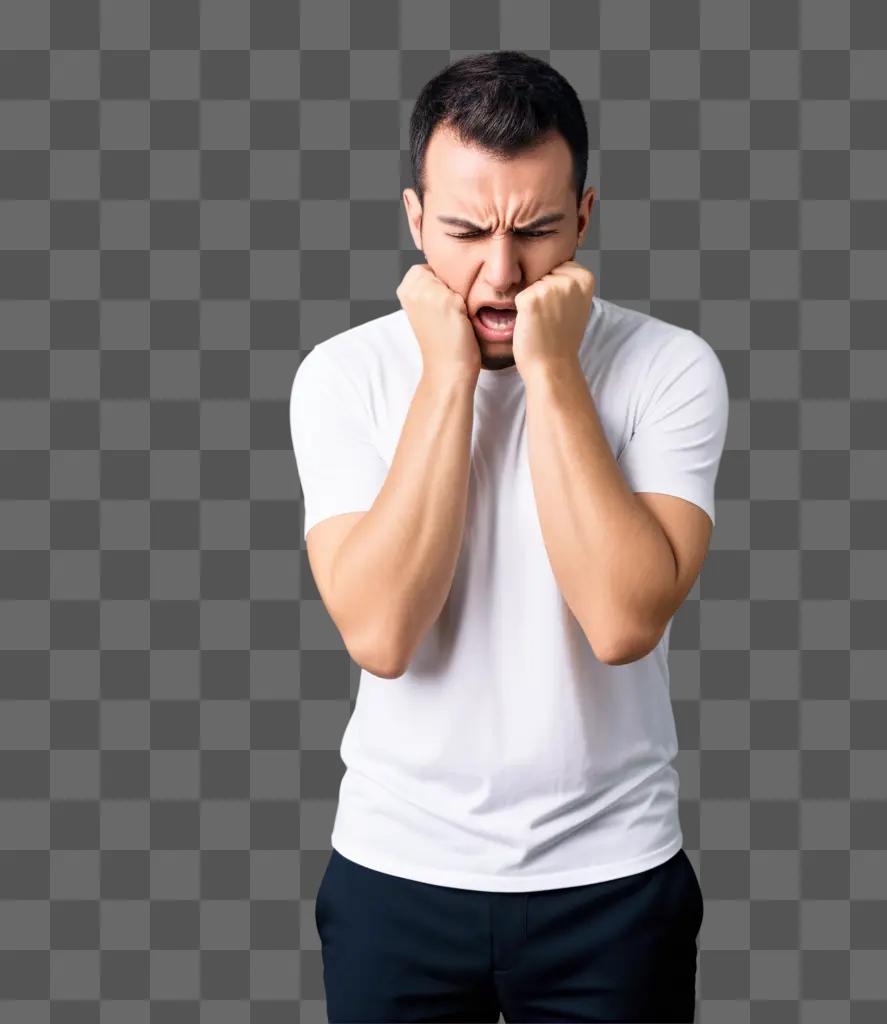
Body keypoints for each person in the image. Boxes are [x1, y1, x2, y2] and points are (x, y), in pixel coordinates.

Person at [289, 49, 728, 1024]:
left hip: (612, 881)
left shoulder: (668, 367)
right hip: (394, 874)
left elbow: (621, 620)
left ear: (582, 214)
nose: (499, 271)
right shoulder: (341, 374)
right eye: (462, 231)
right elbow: (381, 635)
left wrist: (554, 372)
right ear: (413, 221)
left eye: (534, 230)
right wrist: (447, 377)